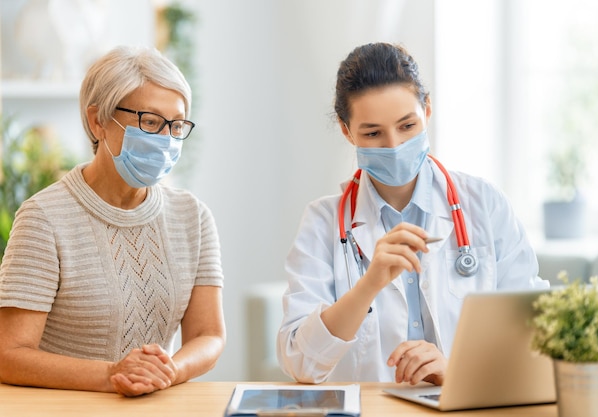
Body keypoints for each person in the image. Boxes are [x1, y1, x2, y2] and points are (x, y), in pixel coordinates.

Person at [277, 42, 548, 386]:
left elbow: (536, 332)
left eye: (407, 126)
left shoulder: (484, 204)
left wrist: (457, 372)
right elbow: (301, 363)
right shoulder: (322, 222)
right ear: (347, 131)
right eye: (373, 133)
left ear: (427, 110)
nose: (394, 145)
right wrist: (369, 284)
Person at [0, 45, 226, 397]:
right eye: (150, 122)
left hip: (153, 404)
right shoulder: (43, 218)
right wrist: (113, 376)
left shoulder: (192, 217)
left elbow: (208, 335)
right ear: (98, 121)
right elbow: (9, 355)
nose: (165, 139)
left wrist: (168, 371)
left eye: (177, 125)